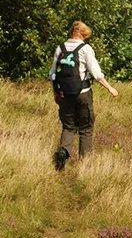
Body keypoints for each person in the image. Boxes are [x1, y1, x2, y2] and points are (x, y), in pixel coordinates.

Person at [50, 20, 119, 171]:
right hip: (83, 93)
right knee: (86, 127)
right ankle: (85, 163)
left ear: (71, 32)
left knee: (68, 126)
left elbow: (53, 74)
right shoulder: (85, 49)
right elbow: (96, 73)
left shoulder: (60, 48)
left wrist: (56, 93)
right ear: (83, 34)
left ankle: (63, 151)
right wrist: (110, 88)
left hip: (64, 94)